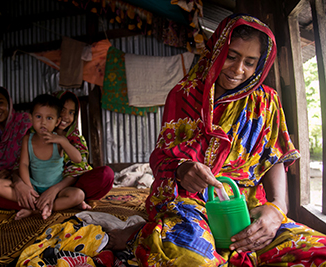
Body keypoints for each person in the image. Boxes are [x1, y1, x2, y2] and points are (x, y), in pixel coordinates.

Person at [106, 14, 326, 266]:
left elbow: (274, 156)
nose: (237, 69)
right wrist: (181, 169)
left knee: (318, 254)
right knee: (192, 259)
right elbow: (162, 157)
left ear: (260, 65)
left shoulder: (266, 101)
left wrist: (277, 208)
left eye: (250, 62)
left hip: (248, 207)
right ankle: (144, 235)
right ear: (216, 50)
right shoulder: (184, 95)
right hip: (193, 202)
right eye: (231, 57)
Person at [0, 91, 114, 211]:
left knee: (101, 178)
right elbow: (22, 165)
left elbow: (78, 163)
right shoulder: (29, 137)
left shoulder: (71, 140)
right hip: (34, 186)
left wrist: (63, 141)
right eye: (63, 110)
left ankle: (36, 208)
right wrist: (25, 187)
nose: (66, 116)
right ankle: (45, 205)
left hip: (64, 187)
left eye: (71, 112)